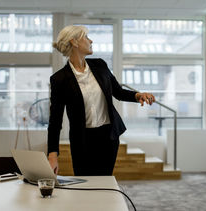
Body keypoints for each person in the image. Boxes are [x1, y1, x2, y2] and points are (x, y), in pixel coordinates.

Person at [48, 25, 155, 176]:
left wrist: (138, 96)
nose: (90, 40)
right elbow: (55, 119)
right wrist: (52, 155)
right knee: (85, 185)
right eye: (86, 37)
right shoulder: (59, 79)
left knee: (105, 180)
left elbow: (118, 92)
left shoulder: (100, 65)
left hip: (108, 136)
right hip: (82, 140)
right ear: (74, 42)